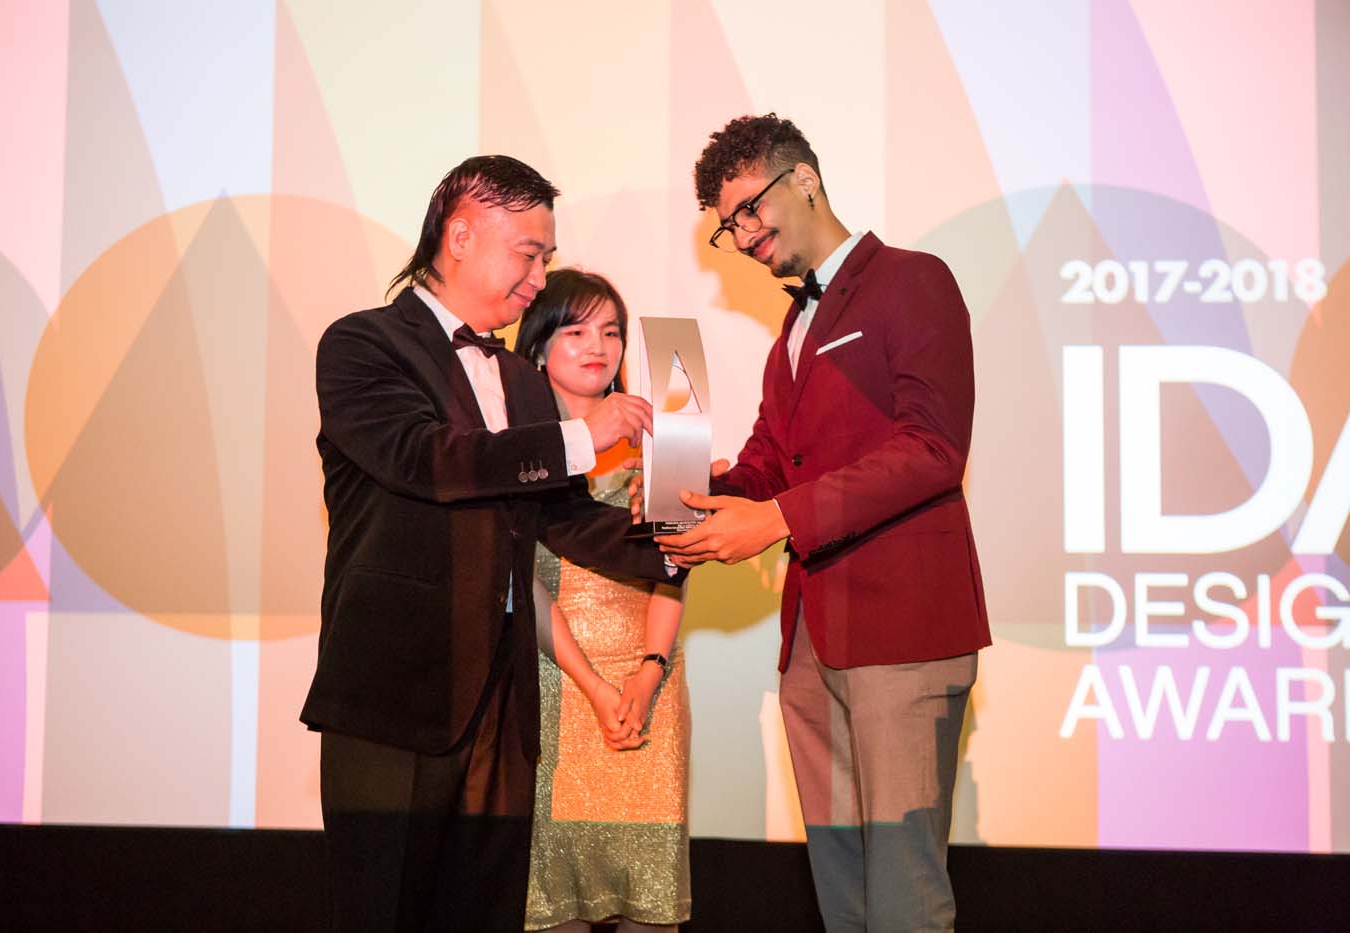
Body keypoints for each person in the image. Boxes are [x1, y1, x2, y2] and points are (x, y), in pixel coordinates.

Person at [300, 155, 681, 933]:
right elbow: (428, 459)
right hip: (395, 694)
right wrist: (582, 436)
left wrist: (685, 537)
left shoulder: (519, 376)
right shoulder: (362, 344)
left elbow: (564, 520)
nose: (540, 278)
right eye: (529, 254)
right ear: (462, 235)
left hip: (503, 707)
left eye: (546, 257)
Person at [656, 114, 991, 931]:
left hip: (903, 634)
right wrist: (685, 490)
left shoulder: (912, 279)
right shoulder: (792, 330)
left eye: (747, 209)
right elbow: (772, 459)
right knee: (844, 894)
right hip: (813, 640)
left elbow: (933, 448)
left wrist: (775, 517)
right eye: (727, 226)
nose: (741, 236)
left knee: (904, 895)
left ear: (804, 178)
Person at [513, 269, 691, 932]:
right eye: (577, 330)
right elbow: (518, 575)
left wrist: (648, 673)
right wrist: (591, 684)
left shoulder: (664, 431)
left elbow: (676, 568)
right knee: (550, 900)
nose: (598, 345)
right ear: (538, 345)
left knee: (650, 898)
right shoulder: (515, 444)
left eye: (611, 331)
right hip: (552, 680)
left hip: (650, 684)